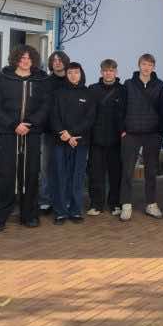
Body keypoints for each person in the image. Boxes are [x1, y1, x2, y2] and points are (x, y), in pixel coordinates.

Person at [0, 45, 49, 232]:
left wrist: (30, 123)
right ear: (15, 59)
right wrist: (13, 124)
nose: (25, 61)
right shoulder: (2, 79)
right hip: (8, 133)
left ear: (33, 60)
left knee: (31, 174)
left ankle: (29, 215)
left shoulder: (41, 80)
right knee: (4, 174)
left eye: (28, 58)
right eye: (22, 58)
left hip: (31, 134)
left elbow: (46, 106)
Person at [119, 53, 163, 221]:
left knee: (151, 171)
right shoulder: (128, 84)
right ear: (139, 65)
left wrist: (160, 131)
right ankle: (126, 205)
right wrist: (122, 130)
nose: (146, 67)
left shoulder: (159, 86)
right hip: (131, 133)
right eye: (144, 64)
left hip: (151, 134)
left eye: (150, 65)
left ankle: (151, 204)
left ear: (153, 67)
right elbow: (121, 108)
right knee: (127, 171)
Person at [51, 62, 96, 224]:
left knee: (77, 177)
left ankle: (76, 211)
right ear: (66, 75)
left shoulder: (88, 93)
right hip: (60, 140)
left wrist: (73, 134)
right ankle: (60, 212)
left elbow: (90, 118)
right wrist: (63, 133)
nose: (73, 75)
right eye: (70, 72)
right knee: (60, 176)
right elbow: (53, 116)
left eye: (76, 72)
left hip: (80, 142)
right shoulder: (58, 93)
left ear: (81, 74)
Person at [87, 59, 125, 217]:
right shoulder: (92, 89)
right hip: (96, 139)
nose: (108, 73)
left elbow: (126, 113)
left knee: (116, 174)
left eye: (111, 70)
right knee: (96, 174)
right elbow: (88, 113)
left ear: (116, 72)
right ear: (101, 72)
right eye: (105, 70)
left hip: (116, 140)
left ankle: (115, 204)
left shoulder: (123, 90)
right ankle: (96, 204)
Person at [39, 50, 70, 215]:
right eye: (54, 60)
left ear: (65, 62)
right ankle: (45, 200)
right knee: (46, 167)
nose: (57, 62)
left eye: (60, 60)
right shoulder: (46, 82)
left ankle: (64, 200)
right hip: (49, 131)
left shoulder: (71, 80)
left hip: (68, 132)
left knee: (65, 167)